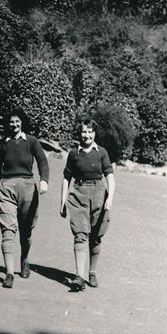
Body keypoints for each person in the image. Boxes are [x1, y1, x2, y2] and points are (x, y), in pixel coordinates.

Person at [0, 107, 49, 289]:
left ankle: (24, 259)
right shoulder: (3, 143)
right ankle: (9, 273)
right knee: (8, 230)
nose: (14, 124)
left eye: (17, 121)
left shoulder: (32, 141)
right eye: (11, 121)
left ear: (22, 122)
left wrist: (44, 180)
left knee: (26, 231)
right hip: (7, 187)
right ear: (7, 124)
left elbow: (42, 161)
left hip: (27, 188)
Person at [60, 117, 115, 291]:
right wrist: (62, 200)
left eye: (90, 132)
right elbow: (66, 178)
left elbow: (110, 178)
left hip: (99, 194)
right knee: (80, 234)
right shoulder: (74, 153)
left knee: (96, 236)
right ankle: (79, 276)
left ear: (94, 134)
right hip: (78, 194)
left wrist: (110, 198)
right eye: (84, 131)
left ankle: (91, 272)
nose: (87, 135)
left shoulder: (102, 152)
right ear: (80, 133)